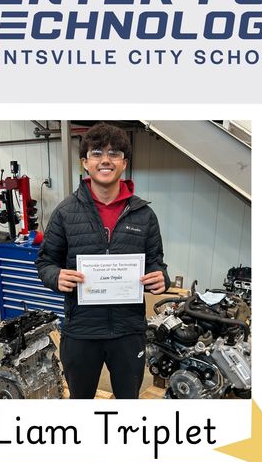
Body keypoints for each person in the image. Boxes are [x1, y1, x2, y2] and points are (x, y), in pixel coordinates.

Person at [36, 122, 169, 398]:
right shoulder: (65, 212)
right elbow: (46, 262)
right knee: (81, 401)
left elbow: (156, 263)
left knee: (127, 402)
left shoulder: (144, 215)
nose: (105, 160)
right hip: (81, 330)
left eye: (114, 153)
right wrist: (56, 276)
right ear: (85, 163)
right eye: (97, 153)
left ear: (124, 163)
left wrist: (161, 278)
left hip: (128, 331)